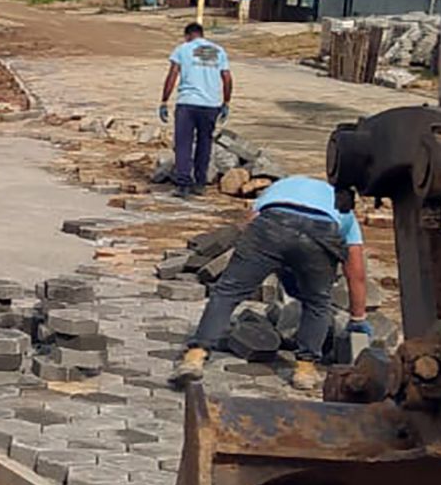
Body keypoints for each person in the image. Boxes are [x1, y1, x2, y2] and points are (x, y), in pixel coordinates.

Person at [173, 175, 372, 395]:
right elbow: (356, 274)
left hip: (270, 223)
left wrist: (250, 264)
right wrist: (357, 319)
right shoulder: (344, 207)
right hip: (320, 231)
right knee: (317, 302)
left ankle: (195, 357)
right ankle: (305, 370)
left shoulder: (279, 188)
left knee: (227, 292)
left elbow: (252, 224)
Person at [159, 23, 232, 196]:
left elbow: (172, 75)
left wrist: (164, 101)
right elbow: (227, 78)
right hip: (211, 105)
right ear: (202, 34)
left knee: (183, 143)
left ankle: (183, 183)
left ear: (187, 35)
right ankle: (200, 183)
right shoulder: (218, 51)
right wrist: (226, 102)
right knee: (204, 143)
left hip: (187, 103)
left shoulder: (183, 49)